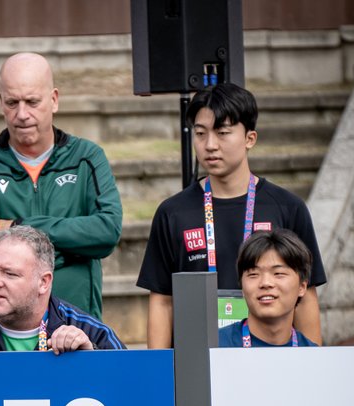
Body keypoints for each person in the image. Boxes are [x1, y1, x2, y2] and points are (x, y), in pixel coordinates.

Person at [138, 82, 327, 348]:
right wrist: (160, 373)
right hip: (197, 361)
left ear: (250, 138)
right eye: (200, 133)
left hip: (270, 354)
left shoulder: (287, 207)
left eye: (222, 133)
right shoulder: (173, 212)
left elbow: (305, 295)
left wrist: (312, 365)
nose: (210, 145)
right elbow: (162, 300)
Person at [0, 52, 123, 320]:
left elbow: (106, 232)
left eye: (32, 101)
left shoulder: (87, 158)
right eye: (12, 102)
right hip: (0, 331)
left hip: (75, 324)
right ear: (0, 103)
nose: (22, 114)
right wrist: (71, 250)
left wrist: (19, 226)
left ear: (54, 99)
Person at [0, 226, 125, 352]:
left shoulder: (91, 333)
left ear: (43, 282)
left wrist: (90, 358)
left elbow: (131, 385)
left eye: (10, 274)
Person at [219, 229, 319, 348]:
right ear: (242, 287)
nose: (265, 283)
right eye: (253, 274)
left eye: (278, 273)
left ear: (302, 287)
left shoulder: (312, 357)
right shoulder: (215, 347)